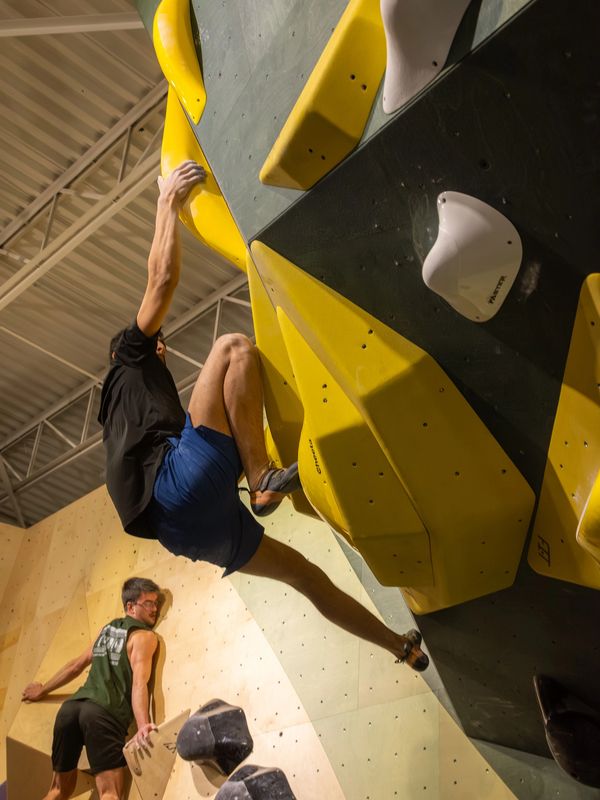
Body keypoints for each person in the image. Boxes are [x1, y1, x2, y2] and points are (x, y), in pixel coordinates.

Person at [99, 160, 428, 672]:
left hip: (188, 535)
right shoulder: (128, 357)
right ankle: (261, 480)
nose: (159, 348)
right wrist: (168, 203)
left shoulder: (120, 419)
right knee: (233, 348)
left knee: (306, 577)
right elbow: (160, 280)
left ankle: (399, 648)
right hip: (177, 484)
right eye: (156, 346)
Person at [22, 577, 161, 800]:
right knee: (110, 793)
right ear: (130, 606)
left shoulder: (105, 630)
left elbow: (76, 666)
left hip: (71, 709)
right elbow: (139, 683)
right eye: (148, 603)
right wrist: (143, 724)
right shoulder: (144, 637)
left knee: (58, 790)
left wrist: (43, 690)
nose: (154, 609)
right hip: (103, 714)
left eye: (156, 603)